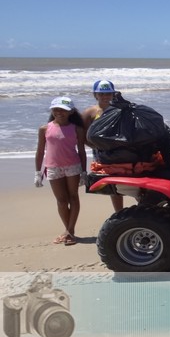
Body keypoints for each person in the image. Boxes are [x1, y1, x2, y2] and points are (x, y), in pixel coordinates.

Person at [35, 96, 87, 246]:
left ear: (70, 112)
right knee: (61, 201)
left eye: (63, 109)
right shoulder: (44, 129)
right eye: (56, 109)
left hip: (73, 167)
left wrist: (83, 171)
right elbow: (39, 152)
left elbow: (82, 151)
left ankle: (70, 232)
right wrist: (37, 173)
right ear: (52, 110)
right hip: (53, 168)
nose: (59, 112)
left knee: (73, 197)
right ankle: (68, 230)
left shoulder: (77, 129)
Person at [82, 79, 123, 212]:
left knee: (127, 181)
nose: (105, 97)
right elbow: (81, 134)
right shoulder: (90, 112)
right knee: (112, 183)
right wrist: (95, 147)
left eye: (108, 94)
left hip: (119, 152)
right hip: (100, 154)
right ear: (95, 95)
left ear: (113, 94)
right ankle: (118, 212)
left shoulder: (119, 110)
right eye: (101, 94)